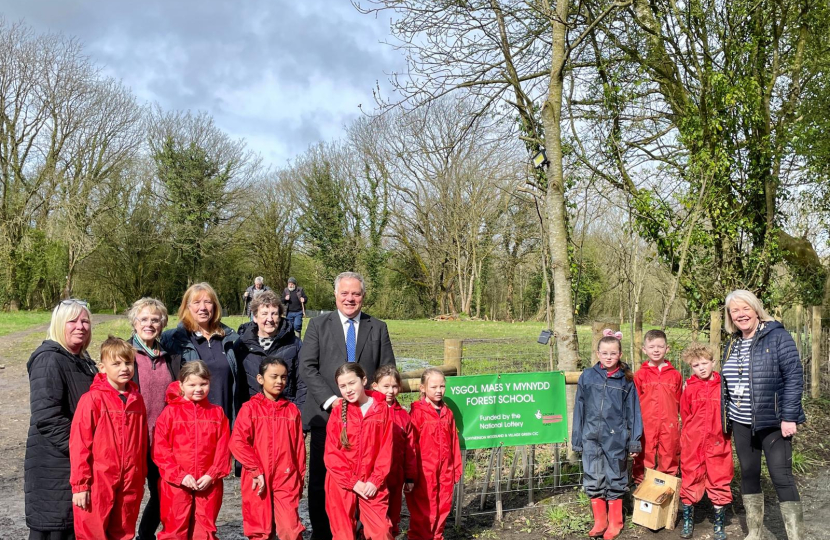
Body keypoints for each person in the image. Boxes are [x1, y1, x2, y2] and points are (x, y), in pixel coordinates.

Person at [299, 271, 396, 540]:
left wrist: (374, 403)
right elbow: (307, 367)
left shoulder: (378, 327)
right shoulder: (319, 325)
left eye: (356, 294)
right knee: (323, 480)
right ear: (336, 295)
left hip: (368, 418)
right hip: (326, 414)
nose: (350, 299)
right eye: (345, 293)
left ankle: (364, 530)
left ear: (363, 296)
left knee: (368, 474)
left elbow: (386, 370)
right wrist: (332, 402)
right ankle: (323, 533)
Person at [721, 289, 805, 540]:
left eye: (745, 308)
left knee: (781, 476)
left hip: (773, 421)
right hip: (740, 420)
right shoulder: (732, 343)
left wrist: (789, 417)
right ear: (730, 316)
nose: (741, 314)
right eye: (735, 310)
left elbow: (793, 377)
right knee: (748, 473)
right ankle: (754, 533)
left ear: (756, 309)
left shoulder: (777, 337)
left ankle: (795, 536)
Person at [25, 298, 97, 540]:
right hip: (55, 465)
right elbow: (47, 417)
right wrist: (86, 450)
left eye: (85, 321)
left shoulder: (84, 360)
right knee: (56, 530)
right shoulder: (49, 358)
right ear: (59, 324)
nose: (80, 326)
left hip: (74, 466)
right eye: (73, 321)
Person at [69, 337, 148, 540]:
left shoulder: (137, 400)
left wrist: (140, 476)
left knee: (123, 531)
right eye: (117, 363)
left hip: (130, 479)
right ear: (102, 368)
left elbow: (141, 441)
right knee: (92, 532)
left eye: (128, 363)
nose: (124, 368)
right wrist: (80, 486)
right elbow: (80, 445)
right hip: (98, 480)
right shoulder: (92, 400)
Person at [572, 330, 643, 540]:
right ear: (597, 353)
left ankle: (615, 522)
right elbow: (579, 408)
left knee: (615, 476)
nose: (609, 356)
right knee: (593, 476)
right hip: (591, 435)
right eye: (604, 353)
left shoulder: (626, 380)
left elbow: (634, 412)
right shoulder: (588, 376)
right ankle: (599, 521)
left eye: (613, 353)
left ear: (620, 354)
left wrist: (634, 441)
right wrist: (578, 438)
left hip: (616, 437)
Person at [153, 361, 231, 540]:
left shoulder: (217, 413)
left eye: (203, 384)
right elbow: (161, 450)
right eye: (192, 384)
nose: (198, 389)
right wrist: (179, 476)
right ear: (181, 385)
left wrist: (212, 474)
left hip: (208, 483)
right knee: (174, 529)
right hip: (176, 485)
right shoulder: (170, 413)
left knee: (205, 530)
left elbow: (224, 448)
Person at [230, 357, 306, 540]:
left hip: (286, 476)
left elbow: (299, 450)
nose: (279, 382)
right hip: (257, 477)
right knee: (260, 530)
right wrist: (255, 470)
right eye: (274, 377)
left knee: (290, 528)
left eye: (284, 377)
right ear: (260, 378)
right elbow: (237, 442)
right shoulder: (249, 409)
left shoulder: (291, 411)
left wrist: (299, 479)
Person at [127, 297, 182, 540]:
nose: (150, 324)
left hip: (161, 443)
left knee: (162, 494)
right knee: (128, 494)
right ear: (134, 322)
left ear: (163, 324)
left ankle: (145, 535)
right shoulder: (124, 354)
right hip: (132, 440)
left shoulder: (171, 358)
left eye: (156, 320)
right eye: (144, 319)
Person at [324, 363, 394, 540]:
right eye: (342, 386)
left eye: (351, 383)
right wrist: (352, 482)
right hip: (341, 482)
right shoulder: (338, 412)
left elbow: (386, 449)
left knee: (381, 532)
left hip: (372, 481)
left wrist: (375, 480)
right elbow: (332, 454)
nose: (348, 389)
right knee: (343, 535)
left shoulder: (381, 409)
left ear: (363, 380)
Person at [162, 282, 242, 425]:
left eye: (208, 302)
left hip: (225, 420)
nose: (203, 308)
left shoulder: (230, 339)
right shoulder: (173, 340)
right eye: (197, 302)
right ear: (188, 307)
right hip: (190, 424)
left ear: (215, 306)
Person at [678, 343, 732, 540]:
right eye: (695, 365)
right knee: (690, 474)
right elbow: (685, 413)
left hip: (718, 439)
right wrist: (691, 434)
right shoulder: (690, 388)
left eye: (704, 363)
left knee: (719, 476)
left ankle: (719, 524)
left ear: (713, 362)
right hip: (693, 440)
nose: (701, 368)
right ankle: (688, 521)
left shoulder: (723, 386)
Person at [407, 368, 463, 540]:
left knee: (443, 507)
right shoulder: (417, 413)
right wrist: (410, 475)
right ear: (423, 388)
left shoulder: (448, 413)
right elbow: (410, 445)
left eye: (442, 386)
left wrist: (456, 468)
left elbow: (453, 441)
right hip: (424, 472)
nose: (439, 390)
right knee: (424, 511)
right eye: (434, 387)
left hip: (445, 470)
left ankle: (437, 536)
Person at [235, 290, 306, 410]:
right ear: (255, 317)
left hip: (285, 413)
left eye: (274, 313)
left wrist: (298, 413)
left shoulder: (294, 344)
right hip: (253, 415)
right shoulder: (242, 345)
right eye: (264, 314)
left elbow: (303, 383)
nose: (270, 319)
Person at [372, 365, 417, 536]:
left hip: (395, 475)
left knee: (393, 513)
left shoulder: (403, 416)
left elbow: (410, 448)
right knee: (375, 517)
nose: (390, 391)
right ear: (375, 386)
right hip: (373, 477)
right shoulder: (369, 410)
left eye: (394, 386)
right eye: (386, 386)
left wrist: (410, 475)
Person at [632, 329, 681, 484]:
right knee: (644, 457)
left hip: (669, 424)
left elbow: (679, 400)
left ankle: (666, 493)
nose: (656, 350)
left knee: (669, 456)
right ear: (644, 349)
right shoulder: (640, 375)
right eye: (652, 346)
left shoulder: (675, 375)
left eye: (660, 346)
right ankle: (642, 493)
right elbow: (635, 401)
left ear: (667, 349)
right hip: (647, 424)